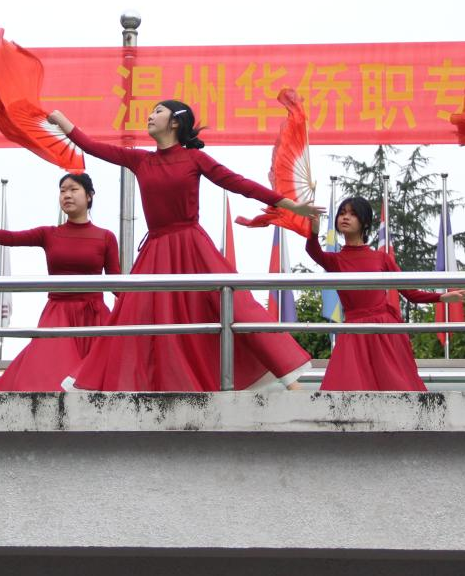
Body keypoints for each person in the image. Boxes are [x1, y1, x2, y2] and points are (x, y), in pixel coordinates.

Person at [44, 100, 321, 391]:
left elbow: (239, 184)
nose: (150, 116)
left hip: (192, 247)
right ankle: (144, 388)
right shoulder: (140, 160)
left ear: (175, 121)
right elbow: (91, 146)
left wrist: (290, 205)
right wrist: (62, 120)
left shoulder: (194, 159)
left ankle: (290, 381)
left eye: (158, 112)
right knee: (138, 317)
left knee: (236, 307)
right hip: (155, 254)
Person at [0, 173, 119, 391]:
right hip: (58, 314)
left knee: (98, 383)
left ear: (89, 196)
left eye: (73, 189)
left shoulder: (106, 237)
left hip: (94, 316)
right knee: (49, 377)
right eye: (62, 191)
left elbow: (117, 283)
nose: (66, 195)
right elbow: (12, 238)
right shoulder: (49, 234)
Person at [305, 196, 465, 391]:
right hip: (354, 329)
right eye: (342, 213)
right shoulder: (335, 260)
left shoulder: (381, 258)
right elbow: (313, 251)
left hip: (384, 327)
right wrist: (314, 231)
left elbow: (409, 292)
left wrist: (441, 297)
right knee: (346, 387)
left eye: (352, 214)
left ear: (365, 223)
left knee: (395, 384)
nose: (345, 217)